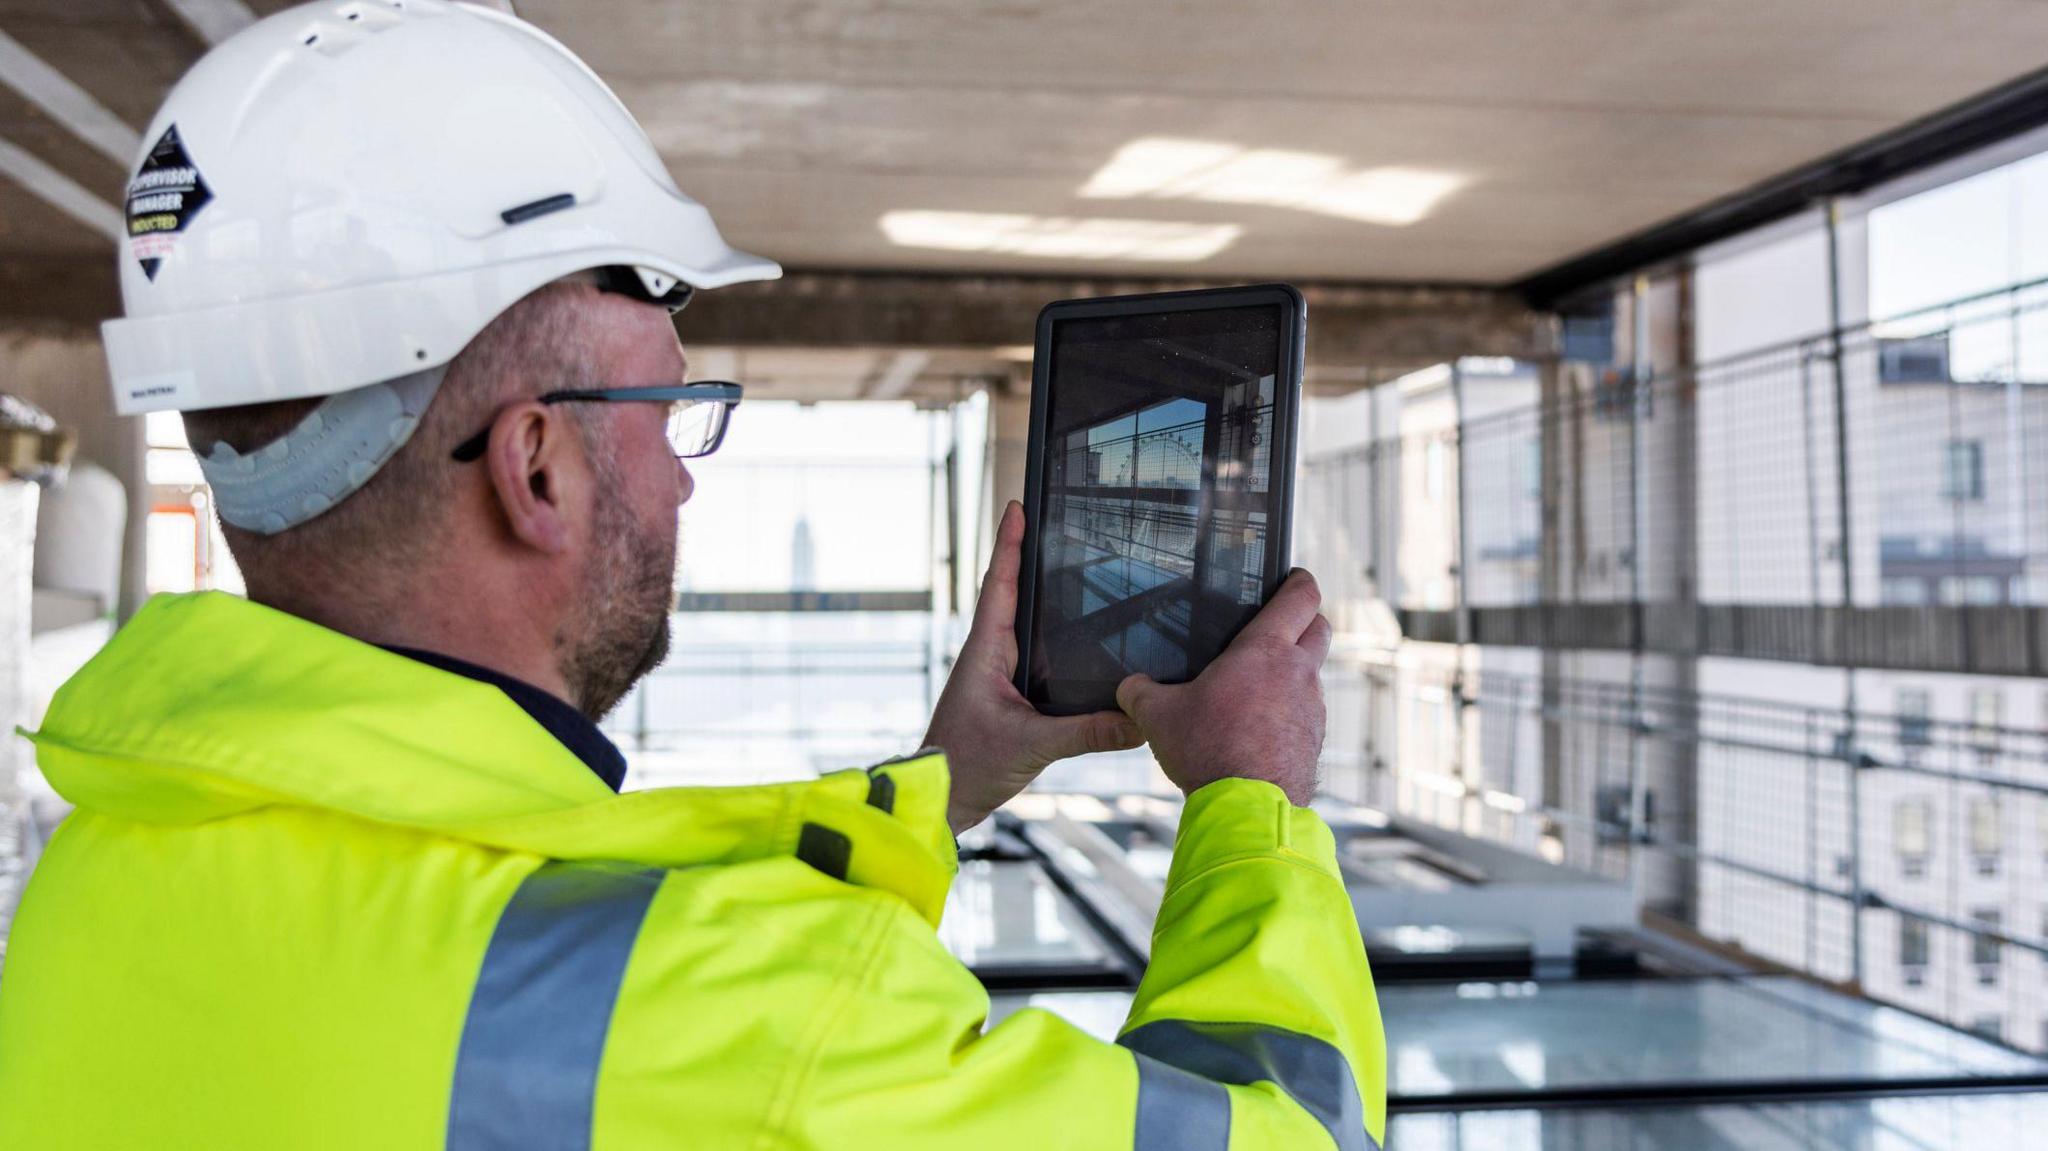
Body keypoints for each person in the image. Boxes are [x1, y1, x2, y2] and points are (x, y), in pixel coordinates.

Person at [0, 3, 1386, 1148]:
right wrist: (1249, 803)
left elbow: (567, 981)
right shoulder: (753, 1024)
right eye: (671, 409)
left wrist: (945, 786)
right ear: (536, 468)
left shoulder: (97, 888)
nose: (685, 472)